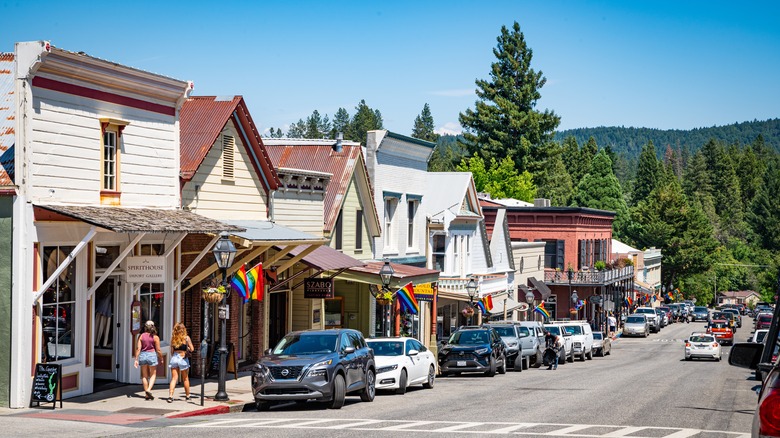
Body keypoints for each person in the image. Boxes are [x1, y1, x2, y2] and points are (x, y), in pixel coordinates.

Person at [134, 320, 163, 400]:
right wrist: (161, 358)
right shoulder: (155, 337)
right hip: (152, 355)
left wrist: (136, 359)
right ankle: (149, 390)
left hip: (143, 355)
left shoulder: (141, 336)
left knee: (144, 376)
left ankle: (147, 394)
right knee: (153, 374)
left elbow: (138, 348)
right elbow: (158, 350)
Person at [167, 322, 194, 403]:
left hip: (175, 357)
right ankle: (187, 396)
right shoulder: (186, 338)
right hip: (182, 358)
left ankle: (170, 396)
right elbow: (192, 349)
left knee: (174, 378)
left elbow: (172, 352)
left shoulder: (173, 338)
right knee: (185, 378)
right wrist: (187, 348)